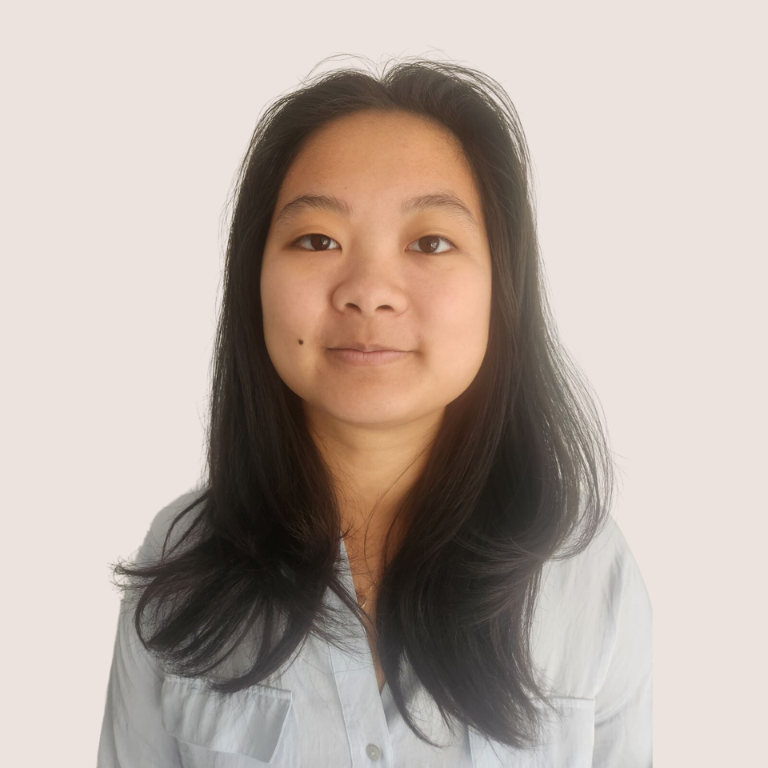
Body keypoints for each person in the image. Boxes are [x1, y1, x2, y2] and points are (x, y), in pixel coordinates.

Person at [98, 56, 652, 767]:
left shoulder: (585, 573)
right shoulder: (181, 555)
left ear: (501, 290)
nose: (368, 291)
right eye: (318, 240)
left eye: (430, 241)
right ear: (253, 281)